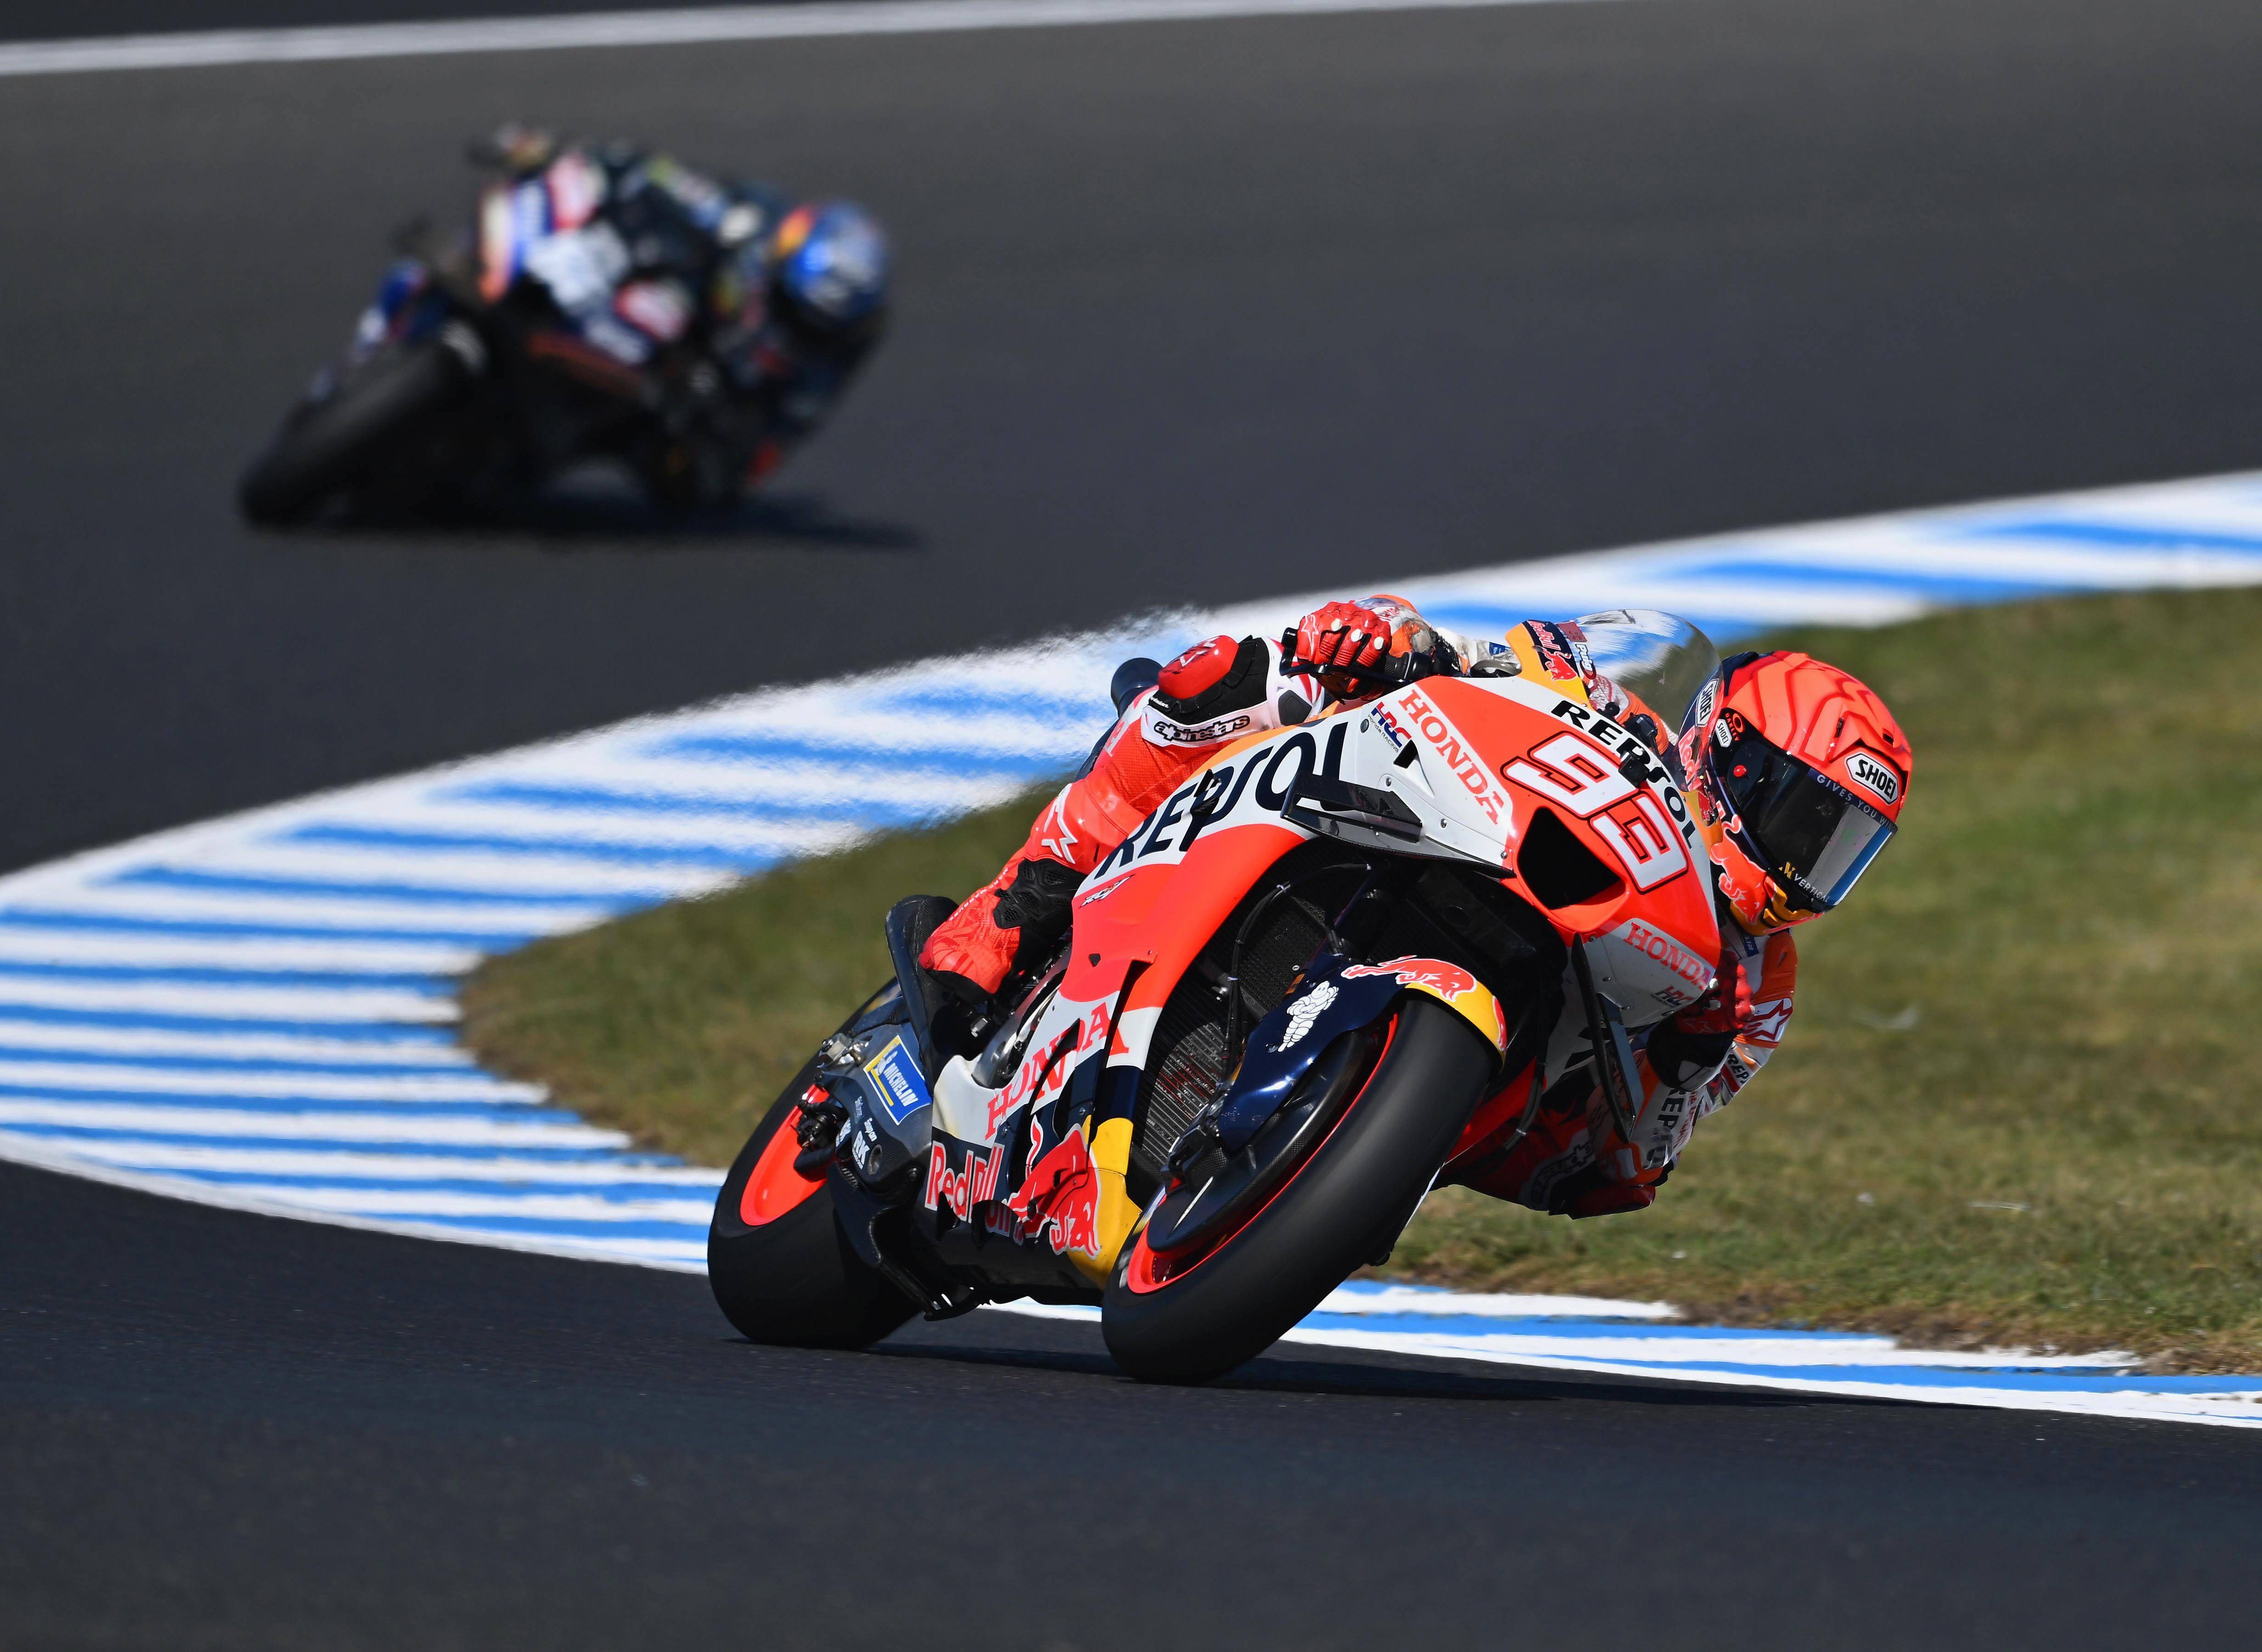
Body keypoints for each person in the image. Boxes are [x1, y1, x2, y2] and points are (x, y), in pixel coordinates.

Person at [917, 594, 1912, 1224]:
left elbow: (1620, 1172)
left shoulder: (1755, 989)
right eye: (1804, 821)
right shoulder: (1620, 711)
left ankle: (1307, 1161)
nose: (1803, 866)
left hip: (1497, 1094)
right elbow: (1487, 661)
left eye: (1840, 852)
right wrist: (1393, 640)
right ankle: (1012, 906)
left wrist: (1681, 1064)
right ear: (1729, 753)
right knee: (1244, 676)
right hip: (1433, 833)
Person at [481, 126, 888, 506]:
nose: (793, 328)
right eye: (787, 306)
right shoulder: (750, 219)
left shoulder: (818, 369)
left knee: (689, 478)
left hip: (669, 385)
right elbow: (659, 174)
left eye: (806, 324)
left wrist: (708, 421)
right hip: (641, 290)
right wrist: (583, 161)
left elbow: (756, 462)